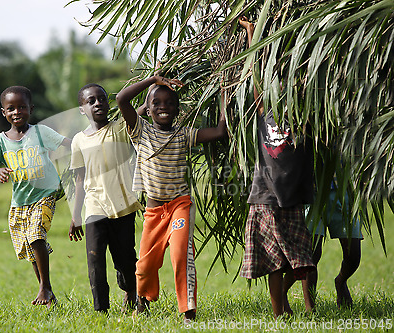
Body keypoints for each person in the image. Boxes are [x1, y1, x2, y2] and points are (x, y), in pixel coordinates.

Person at [116, 75, 227, 322]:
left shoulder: (184, 134)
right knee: (144, 266)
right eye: (156, 103)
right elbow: (121, 99)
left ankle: (188, 310)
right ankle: (142, 299)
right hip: (154, 213)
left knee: (180, 255)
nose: (163, 107)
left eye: (169, 103)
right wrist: (153, 79)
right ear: (148, 108)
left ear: (178, 109)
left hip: (180, 206)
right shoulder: (139, 130)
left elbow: (220, 131)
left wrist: (223, 91)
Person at [238, 17, 316, 318]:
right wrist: (252, 34)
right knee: (272, 259)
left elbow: (310, 75)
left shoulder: (306, 118)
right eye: (278, 86)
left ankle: (286, 305)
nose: (283, 91)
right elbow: (255, 75)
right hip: (265, 195)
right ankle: (279, 313)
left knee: (300, 259)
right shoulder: (263, 110)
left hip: (293, 197)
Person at [0, 85, 71, 307]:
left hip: (46, 194)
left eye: (22, 107)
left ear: (31, 108)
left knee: (36, 235)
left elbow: (68, 145)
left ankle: (45, 287)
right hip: (20, 202)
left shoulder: (40, 133)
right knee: (30, 249)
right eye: (11, 108)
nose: (16, 112)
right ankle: (47, 293)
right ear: (3, 112)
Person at [69, 83, 143, 314]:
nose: (98, 103)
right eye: (91, 101)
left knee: (125, 259)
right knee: (95, 258)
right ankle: (101, 310)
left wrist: (156, 79)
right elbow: (79, 180)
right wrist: (75, 216)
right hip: (94, 206)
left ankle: (130, 291)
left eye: (102, 99)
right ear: (82, 109)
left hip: (123, 205)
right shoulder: (78, 140)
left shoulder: (120, 128)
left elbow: (143, 107)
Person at [283, 187, 362, 311]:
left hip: (341, 189)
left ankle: (341, 281)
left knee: (353, 255)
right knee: (312, 254)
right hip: (311, 193)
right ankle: (310, 308)